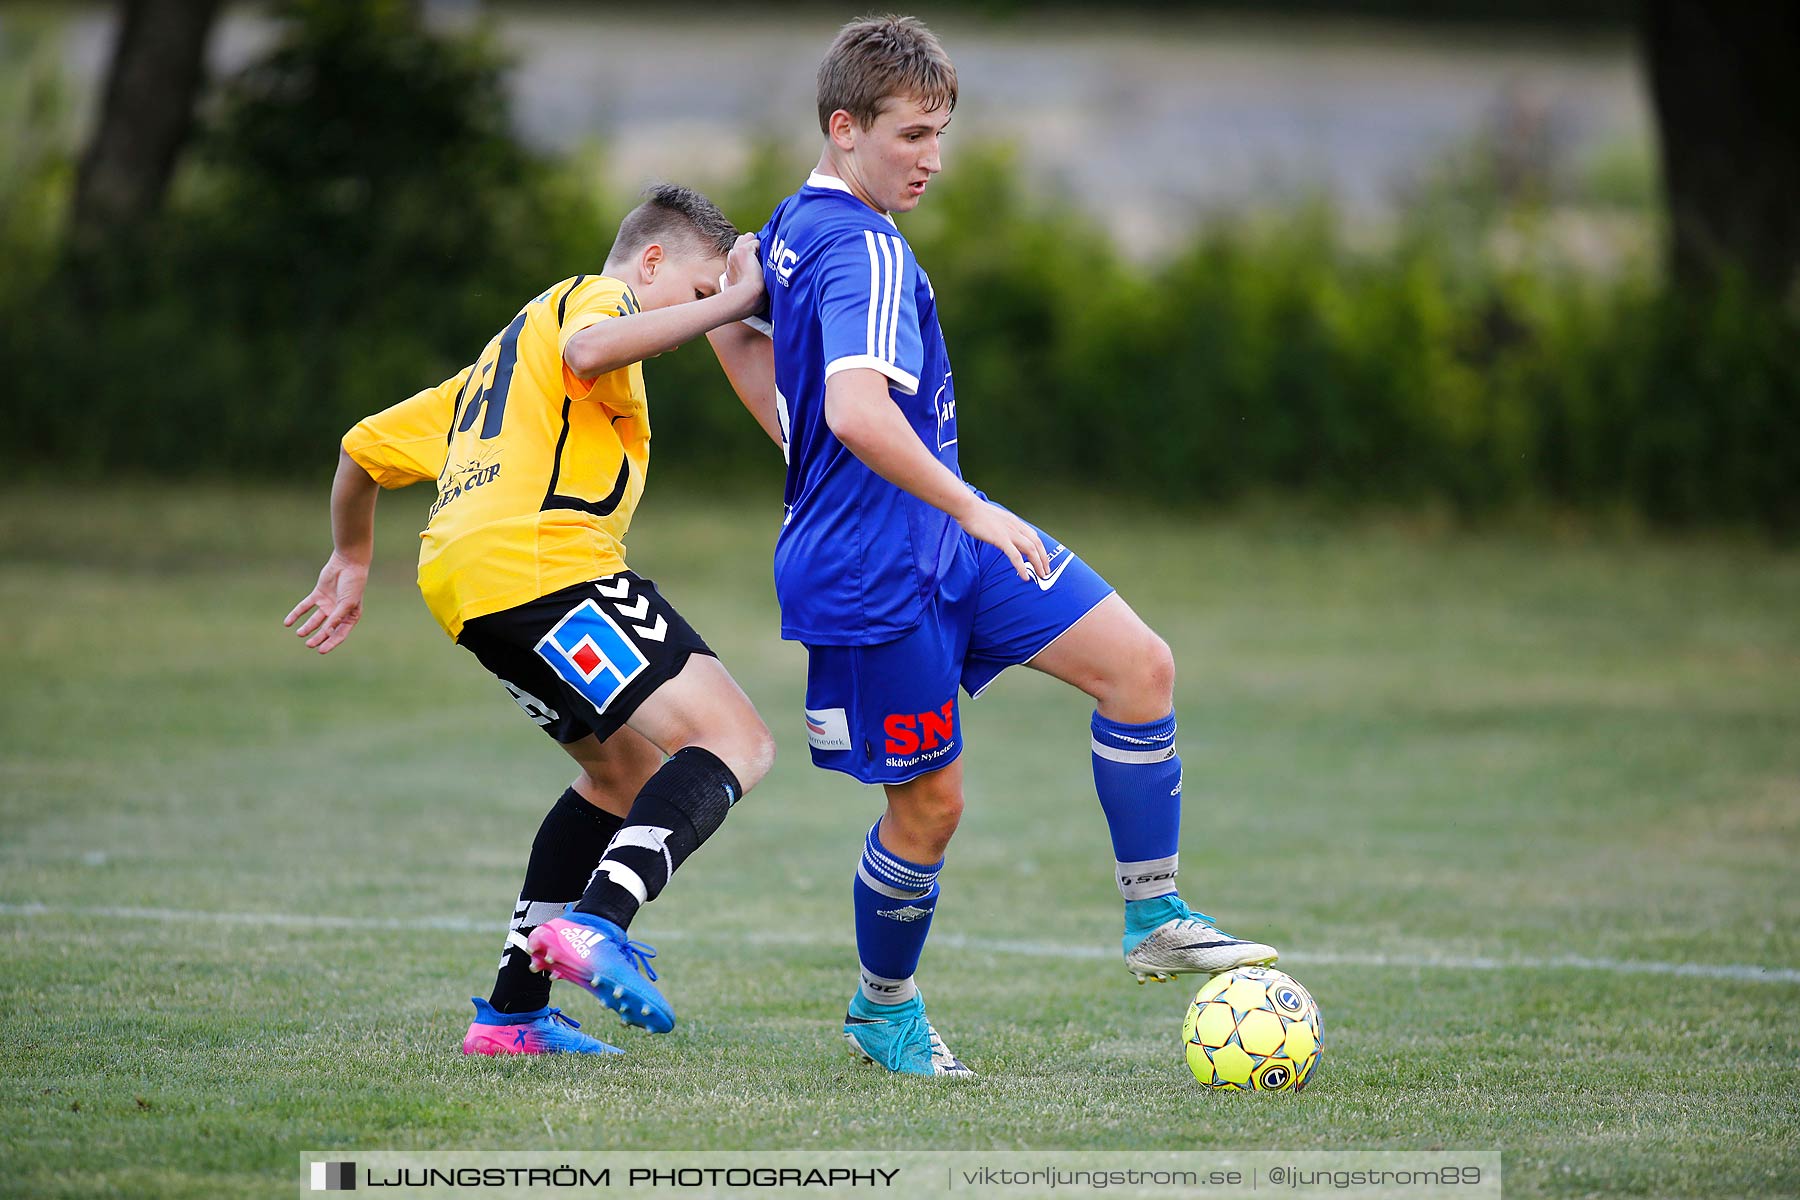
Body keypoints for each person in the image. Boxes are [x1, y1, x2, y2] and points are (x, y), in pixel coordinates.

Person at [706, 17, 1279, 1077]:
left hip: (939, 538)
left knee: (1139, 666)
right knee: (932, 808)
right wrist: (972, 508)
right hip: (877, 570)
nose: (932, 158)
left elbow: (770, 375)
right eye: (912, 135)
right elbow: (854, 412)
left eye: (942, 134)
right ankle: (884, 1011)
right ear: (844, 127)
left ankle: (1152, 912)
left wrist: (736, 323)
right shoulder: (862, 246)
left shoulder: (793, 227)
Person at [286, 184, 776, 1056]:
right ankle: (598, 924)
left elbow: (361, 448)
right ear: (652, 260)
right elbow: (594, 343)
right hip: (547, 566)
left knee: (620, 777)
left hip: (472, 589)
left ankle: (511, 1014)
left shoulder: (498, 369)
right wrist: (740, 300)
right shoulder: (594, 298)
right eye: (701, 293)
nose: (707, 319)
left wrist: (352, 556)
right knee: (736, 740)